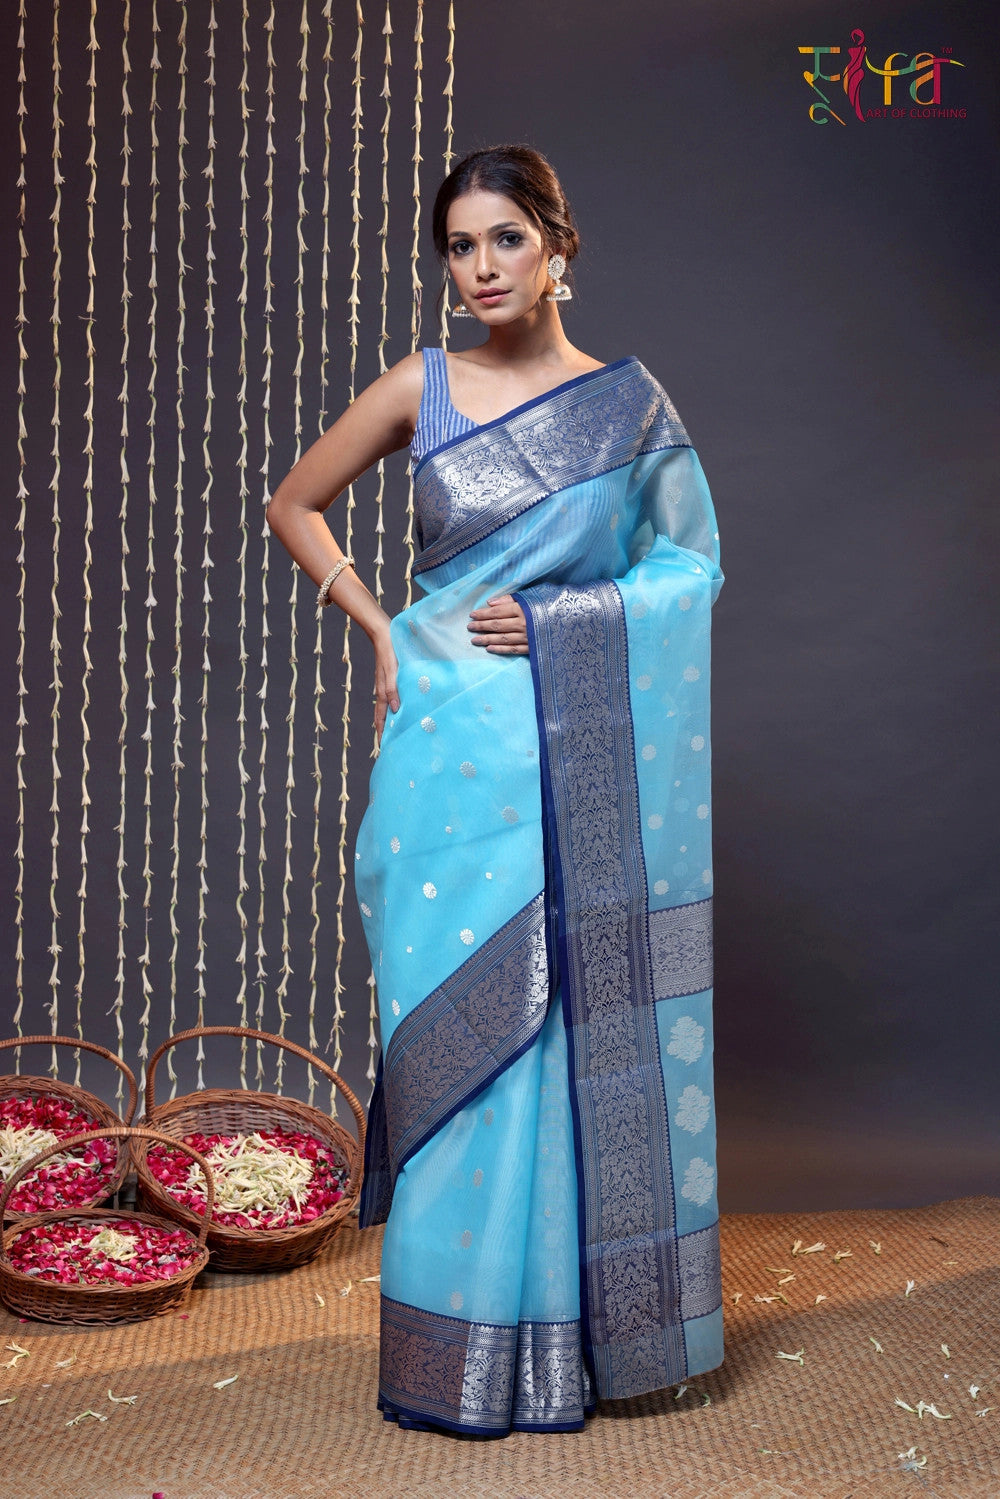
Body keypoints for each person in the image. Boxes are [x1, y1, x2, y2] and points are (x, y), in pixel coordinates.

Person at [266, 144, 724, 1436]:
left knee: (558, 1029)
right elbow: (293, 503)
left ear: (558, 247)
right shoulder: (417, 388)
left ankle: (562, 1351)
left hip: (568, 753)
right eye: (460, 246)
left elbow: (691, 569)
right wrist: (376, 628)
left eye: (505, 239)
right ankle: (450, 1354)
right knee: (455, 1039)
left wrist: (572, 617)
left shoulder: (626, 409)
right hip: (441, 758)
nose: (481, 268)